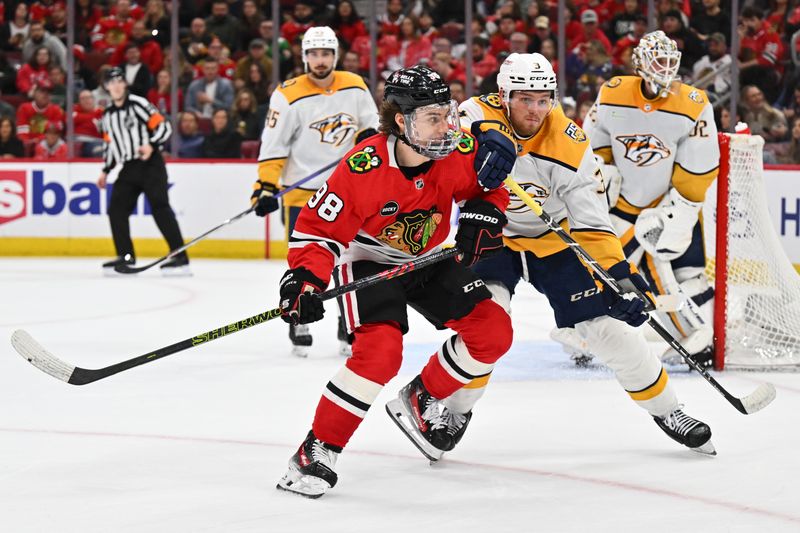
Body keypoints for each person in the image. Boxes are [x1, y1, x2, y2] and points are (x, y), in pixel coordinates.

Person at [451, 52, 715, 459]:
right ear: (503, 95)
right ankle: (452, 411)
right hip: (493, 234)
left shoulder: (570, 142)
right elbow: (454, 125)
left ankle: (670, 411)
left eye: (544, 99)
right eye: (525, 99)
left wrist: (618, 272)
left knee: (609, 330)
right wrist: (485, 134)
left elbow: (591, 220)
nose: (536, 110)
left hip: (553, 240)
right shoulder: (476, 111)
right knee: (487, 320)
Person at [275, 64, 516, 498]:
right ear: (402, 122)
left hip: (426, 257)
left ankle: (422, 397)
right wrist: (305, 282)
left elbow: (490, 185)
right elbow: (318, 232)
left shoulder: (459, 149)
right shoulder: (362, 168)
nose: (448, 126)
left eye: (448, 113)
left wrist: (486, 213)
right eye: (433, 117)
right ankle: (316, 451)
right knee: (380, 353)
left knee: (493, 332)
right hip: (368, 260)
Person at [578, 31, 720, 366]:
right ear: (640, 62)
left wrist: (684, 208)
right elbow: (590, 142)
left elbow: (700, 162)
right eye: (658, 59)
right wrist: (601, 169)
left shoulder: (693, 102)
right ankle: (587, 331)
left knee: (688, 273)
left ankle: (703, 336)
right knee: (599, 268)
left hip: (668, 206)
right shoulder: (613, 93)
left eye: (671, 60)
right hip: (622, 207)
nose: (665, 67)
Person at [250, 26, 379, 358]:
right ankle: (298, 316)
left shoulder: (354, 85)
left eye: (325, 54)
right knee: (303, 261)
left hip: (347, 190)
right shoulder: (288, 94)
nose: (320, 61)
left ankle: (347, 320)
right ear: (304, 57)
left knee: (347, 259)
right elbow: (273, 147)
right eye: (313, 54)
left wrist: (367, 137)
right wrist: (264, 186)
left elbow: (372, 127)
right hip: (302, 195)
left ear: (335, 55)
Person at [96, 67, 190, 276]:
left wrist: (151, 145)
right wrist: (105, 170)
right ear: (106, 87)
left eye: (120, 81)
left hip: (150, 164)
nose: (117, 86)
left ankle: (180, 256)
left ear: (125, 84)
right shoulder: (107, 115)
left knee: (160, 207)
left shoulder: (138, 104)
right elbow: (110, 146)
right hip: (129, 167)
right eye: (112, 82)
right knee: (116, 209)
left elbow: (164, 126)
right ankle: (126, 256)